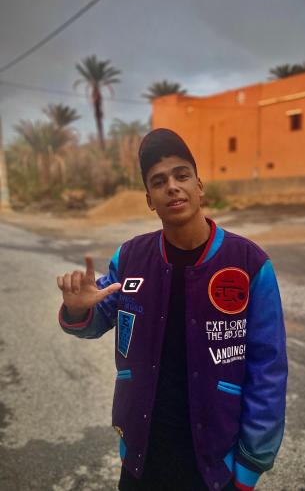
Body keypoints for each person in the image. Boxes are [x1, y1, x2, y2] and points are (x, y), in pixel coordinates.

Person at [57, 128, 288, 491]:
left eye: (182, 176)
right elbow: (94, 320)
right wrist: (75, 311)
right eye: (159, 181)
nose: (173, 187)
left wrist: (249, 467)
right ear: (150, 199)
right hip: (141, 455)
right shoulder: (131, 256)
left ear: (200, 186)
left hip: (214, 462)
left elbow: (268, 368)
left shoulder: (248, 263)